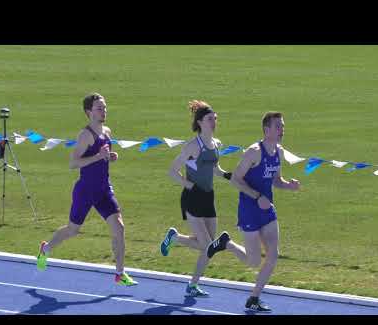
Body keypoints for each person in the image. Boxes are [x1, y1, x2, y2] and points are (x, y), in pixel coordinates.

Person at [36, 93, 138, 286]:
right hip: (85, 191)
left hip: (104, 190)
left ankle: (119, 273)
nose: (104, 111)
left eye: (105, 107)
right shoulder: (85, 135)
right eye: (99, 108)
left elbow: (103, 156)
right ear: (88, 112)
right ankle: (46, 248)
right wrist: (99, 156)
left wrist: (110, 157)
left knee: (119, 227)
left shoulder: (107, 131)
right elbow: (73, 163)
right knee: (73, 230)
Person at [206, 111, 300, 312]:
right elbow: (235, 180)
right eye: (278, 126)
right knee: (254, 261)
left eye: (282, 125)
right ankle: (227, 243)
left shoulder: (277, 151)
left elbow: (276, 180)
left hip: (267, 211)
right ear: (267, 130)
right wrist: (257, 197)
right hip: (249, 210)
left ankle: (254, 298)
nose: (282, 129)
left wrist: (288, 186)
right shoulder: (253, 152)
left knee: (273, 255)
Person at [161, 100, 232, 297]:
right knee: (208, 245)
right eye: (210, 119)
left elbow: (214, 169)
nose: (214, 122)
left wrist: (228, 175)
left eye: (215, 119)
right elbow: (173, 171)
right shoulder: (193, 146)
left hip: (208, 197)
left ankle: (175, 240)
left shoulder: (216, 144)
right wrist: (190, 186)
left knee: (209, 247)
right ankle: (191, 285)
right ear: (200, 122)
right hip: (192, 197)